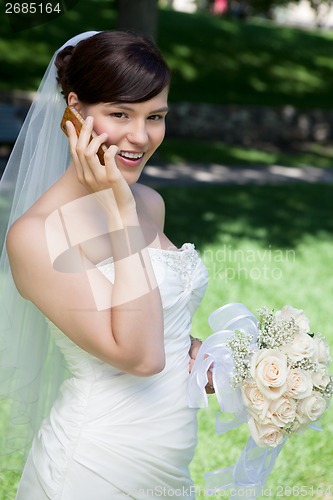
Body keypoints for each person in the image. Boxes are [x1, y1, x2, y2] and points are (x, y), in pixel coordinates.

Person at [0, 31, 211, 499]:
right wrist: (118, 211)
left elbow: (161, 332)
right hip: (93, 467)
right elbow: (140, 356)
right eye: (120, 114)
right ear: (74, 109)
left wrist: (203, 357)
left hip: (166, 465)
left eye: (155, 117)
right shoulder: (36, 237)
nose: (141, 136)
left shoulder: (149, 204)